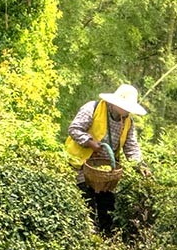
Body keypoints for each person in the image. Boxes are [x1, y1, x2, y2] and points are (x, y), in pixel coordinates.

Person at [65, 84, 152, 236]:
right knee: (87, 204)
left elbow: (131, 146)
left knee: (107, 208)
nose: (126, 111)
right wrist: (91, 143)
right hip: (83, 165)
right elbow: (74, 129)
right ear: (114, 103)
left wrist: (140, 165)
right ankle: (86, 238)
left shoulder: (128, 122)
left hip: (106, 172)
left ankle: (105, 241)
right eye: (124, 107)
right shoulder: (92, 109)